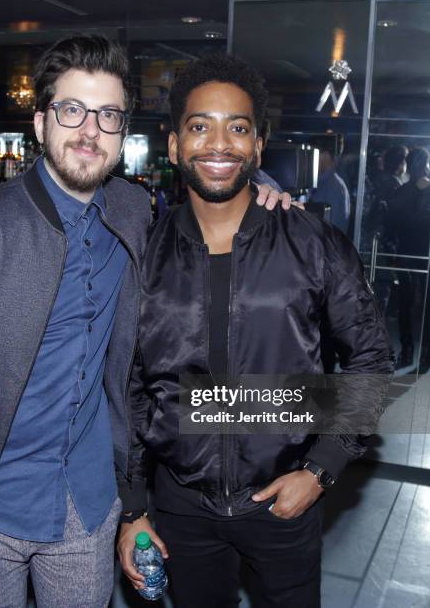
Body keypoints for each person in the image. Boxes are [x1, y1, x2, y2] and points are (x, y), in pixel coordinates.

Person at [0, 36, 289, 608]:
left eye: (107, 115)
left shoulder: (132, 209)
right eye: (71, 110)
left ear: (123, 130)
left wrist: (269, 198)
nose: (89, 131)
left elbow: (210, 215)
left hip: (87, 505)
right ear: (40, 123)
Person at [117, 54, 394, 608]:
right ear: (173, 146)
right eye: (200, 126)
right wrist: (134, 507)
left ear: (257, 147)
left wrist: (321, 469)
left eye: (237, 128)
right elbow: (131, 388)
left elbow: (370, 361)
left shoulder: (311, 241)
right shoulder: (142, 253)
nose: (219, 144)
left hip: (283, 501)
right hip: (181, 510)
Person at [386, 147, 430, 367]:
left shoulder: (402, 192)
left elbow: (391, 225)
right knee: (427, 305)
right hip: (426, 253)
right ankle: (426, 352)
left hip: (405, 251)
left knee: (405, 302)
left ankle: (407, 349)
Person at [309, 135, 351, 235]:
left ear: (326, 156)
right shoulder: (318, 183)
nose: (312, 158)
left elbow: (333, 230)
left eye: (315, 154)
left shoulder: (336, 188)